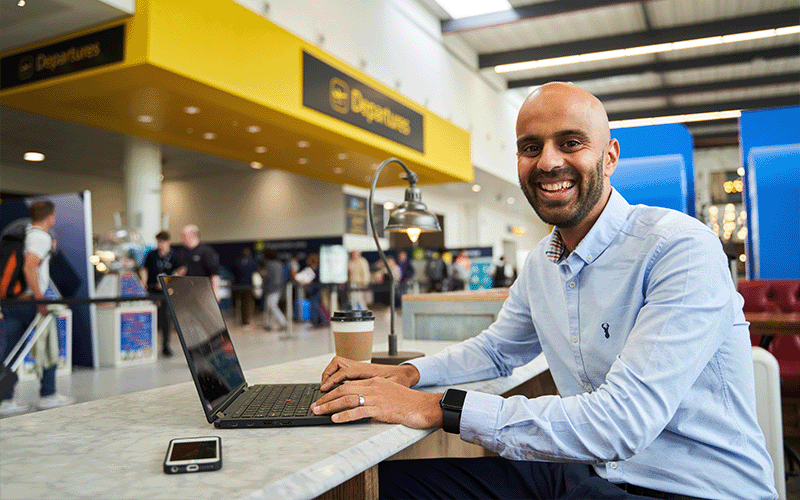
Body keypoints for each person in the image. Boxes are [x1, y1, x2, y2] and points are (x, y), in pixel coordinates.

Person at [311, 82, 777, 499]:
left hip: (694, 490)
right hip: (591, 476)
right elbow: (497, 351)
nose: (548, 161)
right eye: (530, 147)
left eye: (570, 143)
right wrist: (409, 375)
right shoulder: (542, 262)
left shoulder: (678, 247)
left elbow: (622, 423)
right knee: (388, 489)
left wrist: (437, 407)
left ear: (610, 156)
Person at [1, 200, 75, 415]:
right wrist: (40, 298)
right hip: (29, 301)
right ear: (50, 216)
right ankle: (48, 395)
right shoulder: (40, 237)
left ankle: (5, 399)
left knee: (11, 350)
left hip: (11, 301)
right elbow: (29, 266)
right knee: (50, 345)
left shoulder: (23, 234)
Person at [138, 230, 180, 357]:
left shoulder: (174, 255)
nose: (159, 244)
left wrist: (167, 283)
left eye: (162, 242)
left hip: (167, 291)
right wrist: (143, 282)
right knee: (150, 318)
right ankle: (147, 346)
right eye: (158, 242)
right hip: (152, 289)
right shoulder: (152, 254)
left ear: (168, 242)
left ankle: (165, 346)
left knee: (165, 319)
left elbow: (179, 271)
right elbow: (144, 269)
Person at [175, 224, 220, 300]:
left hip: (204, 293)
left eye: (183, 235)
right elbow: (177, 272)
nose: (181, 238)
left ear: (193, 235)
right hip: (186, 293)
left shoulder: (206, 251)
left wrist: (216, 293)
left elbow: (214, 274)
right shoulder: (181, 253)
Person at [231, 248, 258, 326]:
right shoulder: (252, 262)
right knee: (247, 304)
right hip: (248, 286)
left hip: (238, 286)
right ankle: (245, 320)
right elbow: (256, 272)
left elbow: (234, 272)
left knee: (239, 303)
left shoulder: (237, 261)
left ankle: (239, 319)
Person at [261, 250, 287, 331]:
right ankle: (270, 324)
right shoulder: (280, 264)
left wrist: (262, 276)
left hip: (271, 288)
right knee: (273, 305)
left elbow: (267, 277)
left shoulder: (269, 265)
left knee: (272, 305)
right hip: (279, 287)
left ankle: (284, 322)